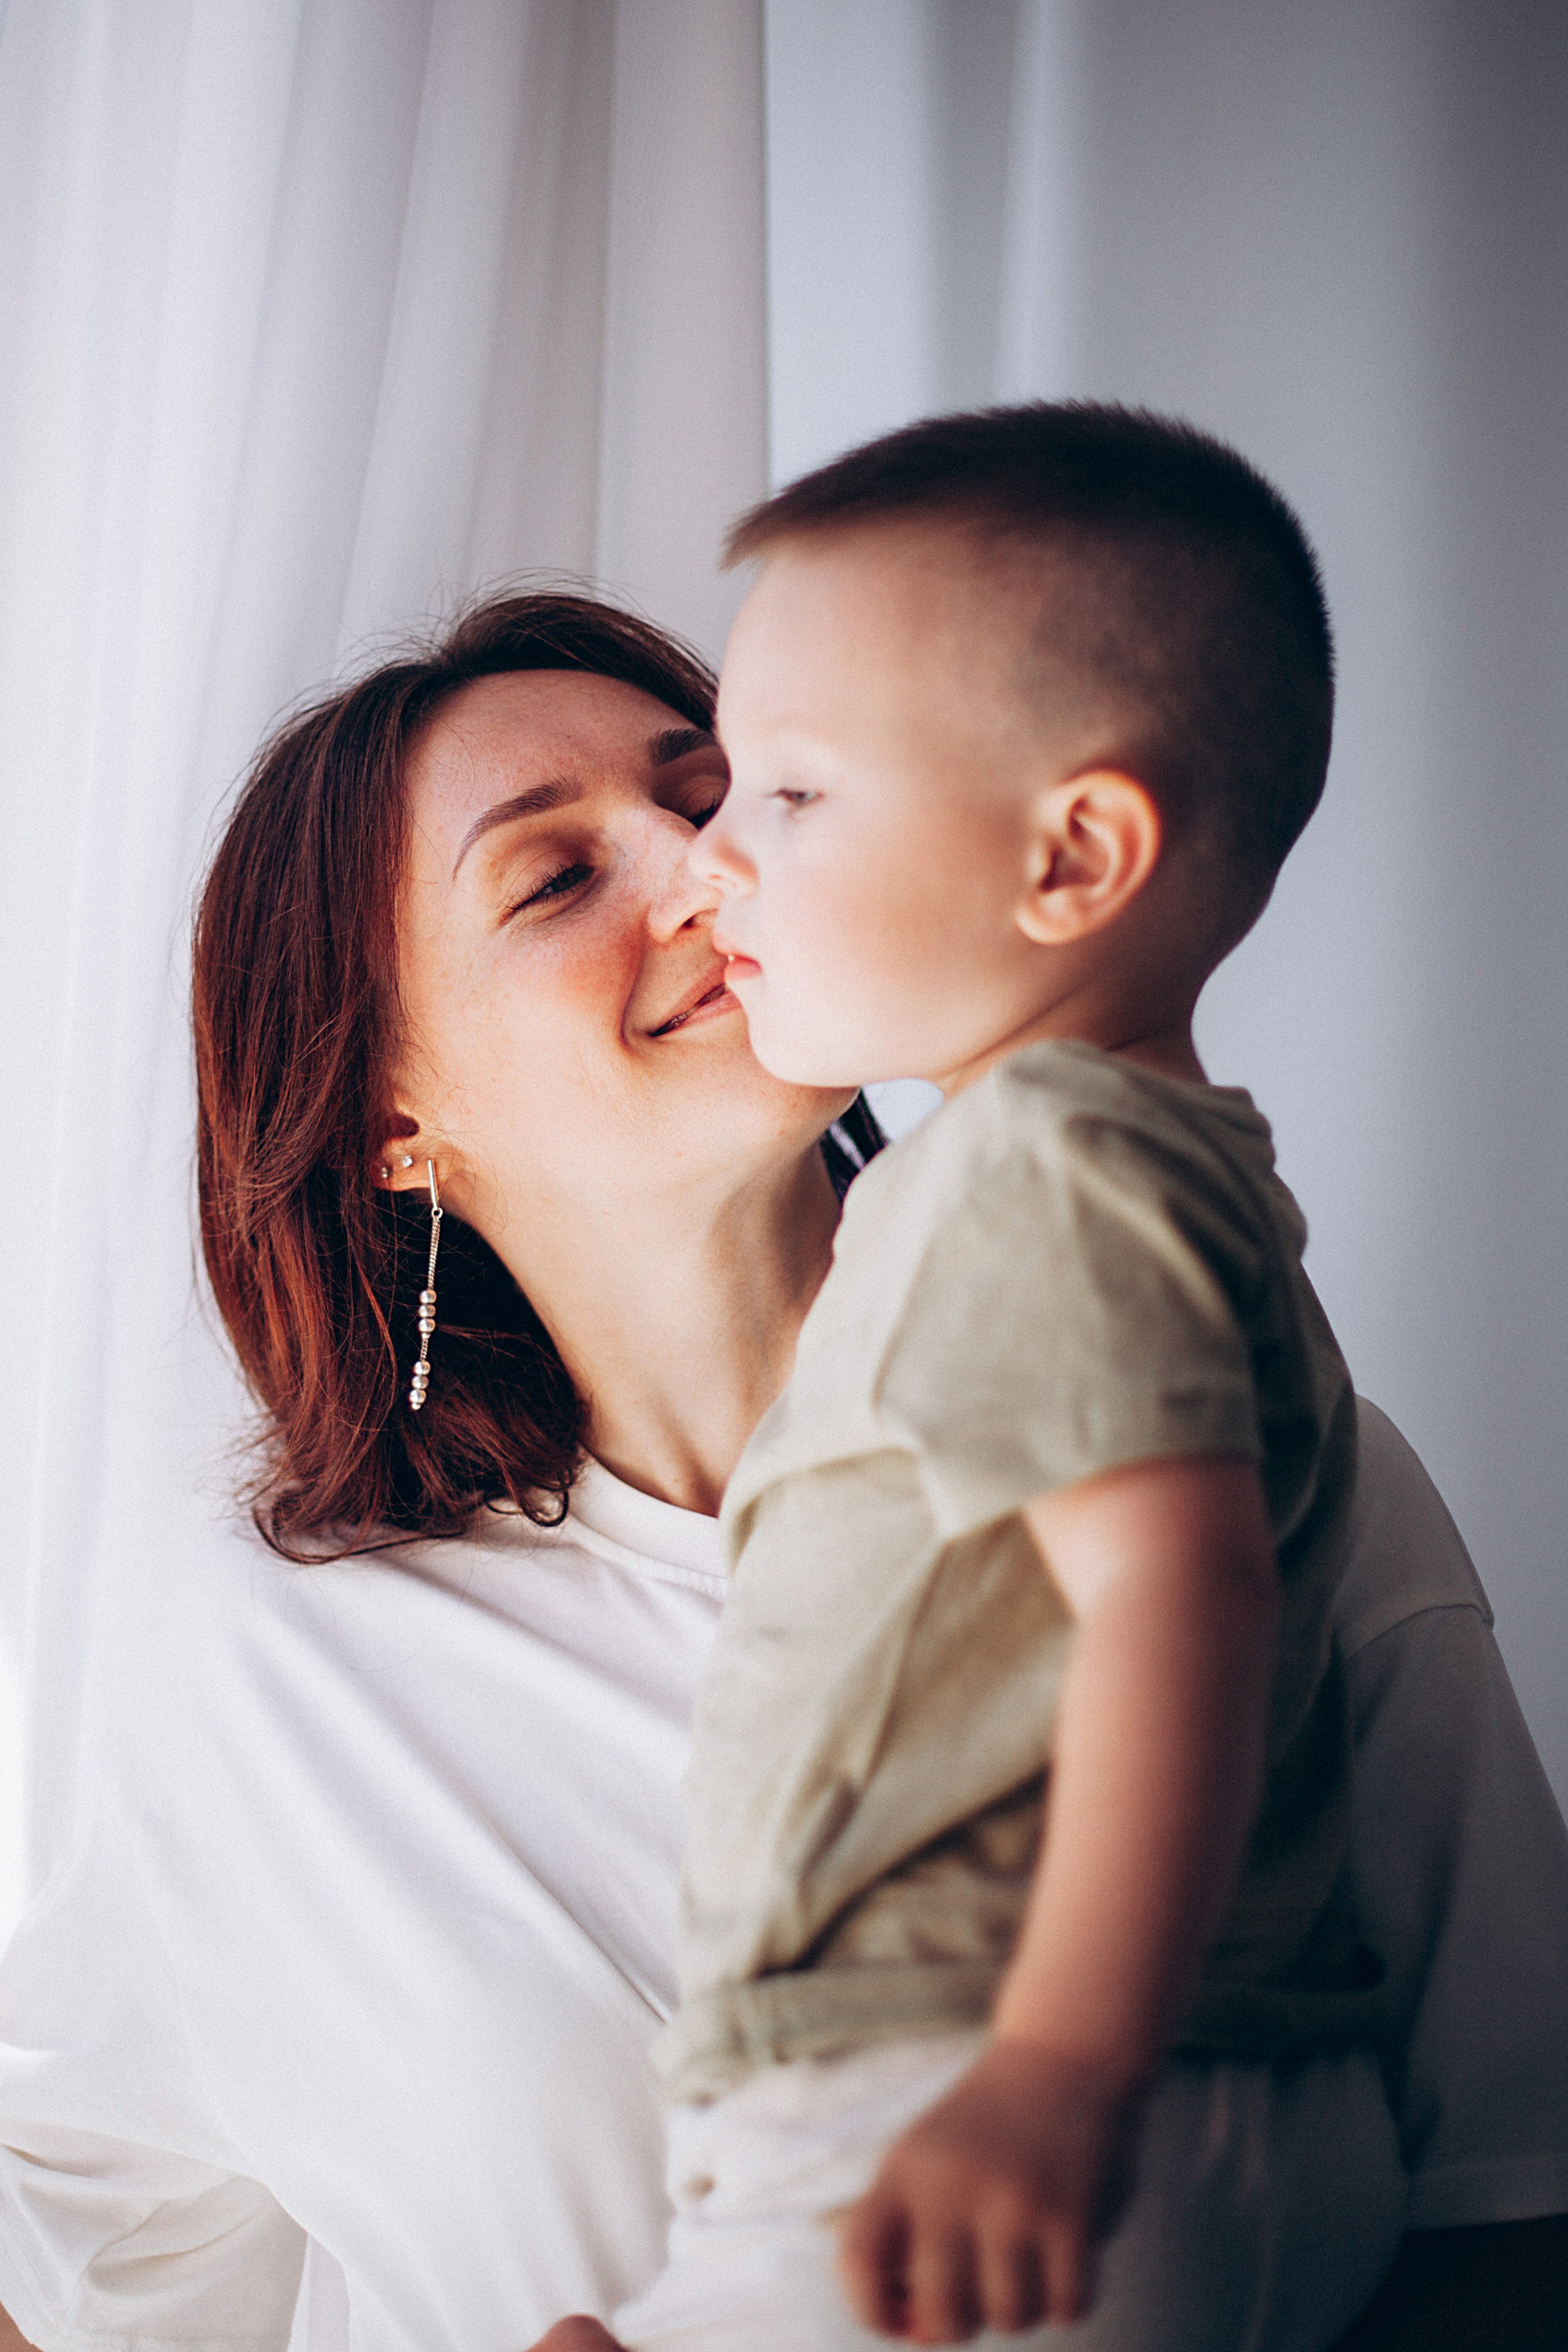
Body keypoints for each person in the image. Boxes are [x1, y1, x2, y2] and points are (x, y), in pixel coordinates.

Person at [0, 594, 1562, 2352]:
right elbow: (63, 2252)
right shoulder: (257, 1693)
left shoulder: (1231, 1436)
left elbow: (1513, 2204)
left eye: (719, 793)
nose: (703, 868)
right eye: (554, 876)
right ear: (388, 1121)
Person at [598, 406, 1392, 2350]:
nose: (713, 866)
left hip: (957, 2075)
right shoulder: (1182, 1177)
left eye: (786, 794)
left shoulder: (1027, 1165)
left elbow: (1176, 1599)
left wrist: (1057, 2067)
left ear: (1072, 857)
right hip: (1191, 2101)